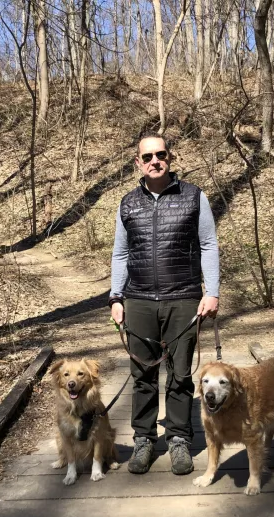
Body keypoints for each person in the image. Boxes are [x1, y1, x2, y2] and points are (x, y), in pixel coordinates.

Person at [109, 133, 220, 476]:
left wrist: (211, 291)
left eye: (161, 154)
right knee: (142, 375)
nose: (155, 160)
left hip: (183, 298)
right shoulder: (128, 203)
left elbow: (208, 244)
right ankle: (143, 440)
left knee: (180, 375)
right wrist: (116, 296)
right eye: (148, 156)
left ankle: (179, 440)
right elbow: (121, 253)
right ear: (138, 164)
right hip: (138, 299)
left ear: (169, 158)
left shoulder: (193, 196)